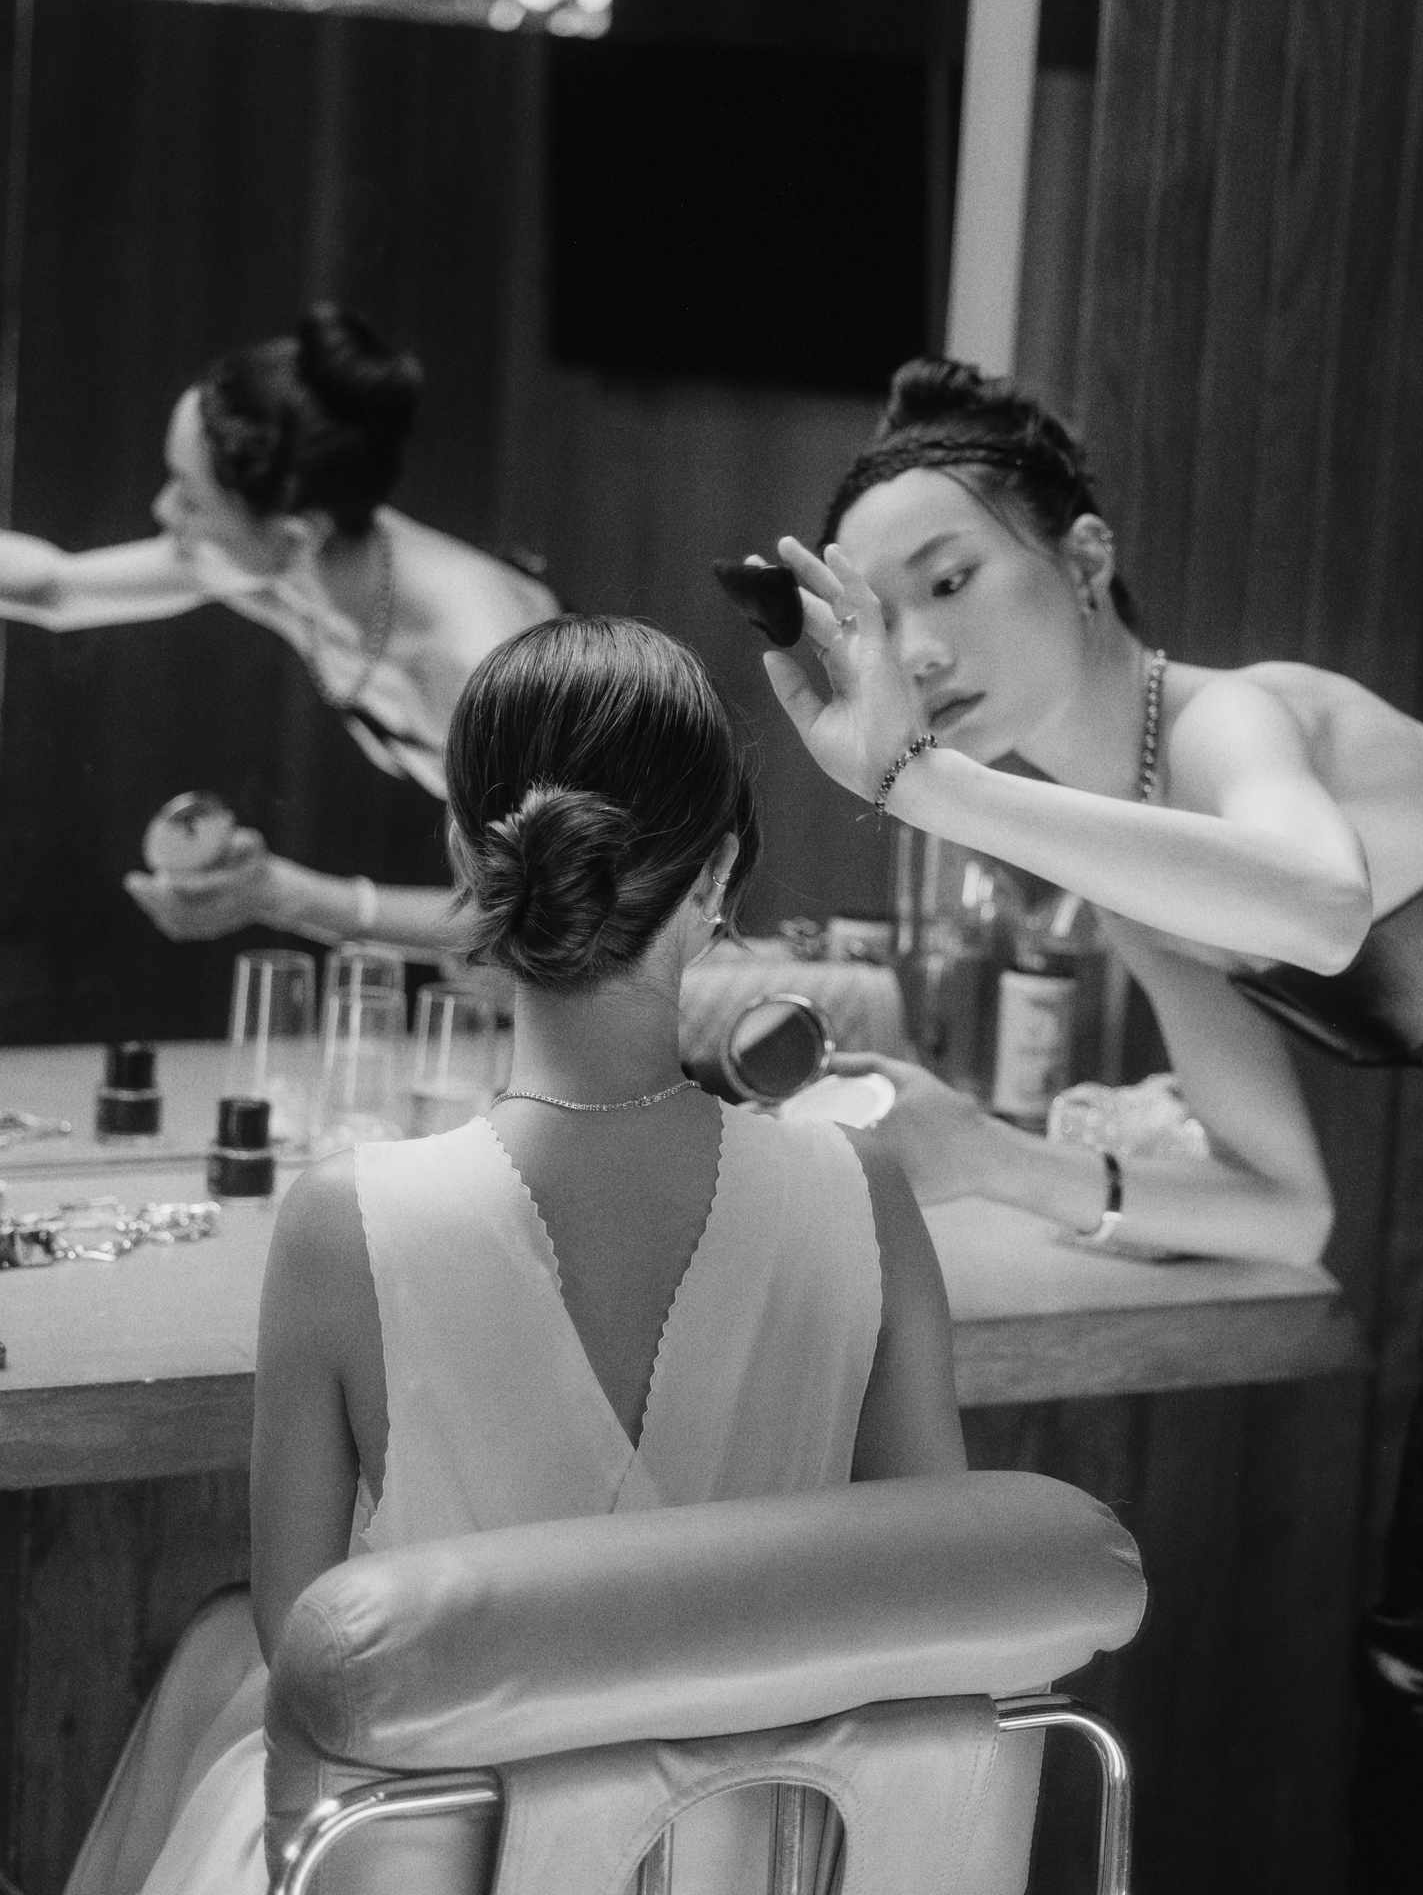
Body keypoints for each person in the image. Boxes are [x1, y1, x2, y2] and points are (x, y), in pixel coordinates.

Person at [62, 613, 965, 1895]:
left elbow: (314, 1660)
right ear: (715, 881)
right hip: (759, 1862)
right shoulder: (863, 1190)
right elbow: (941, 1593)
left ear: (465, 859)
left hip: (434, 1865)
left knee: (224, 1662)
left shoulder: (344, 1221)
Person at [755, 354, 1423, 1892]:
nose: (921, 644)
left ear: (1086, 560)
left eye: (949, 578)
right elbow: (1282, 1207)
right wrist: (991, 1161)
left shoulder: (1243, 720)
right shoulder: (1140, 876)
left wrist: (918, 781)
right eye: (882, 620)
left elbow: (1313, 898)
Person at [0, 303, 559, 951]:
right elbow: (56, 588)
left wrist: (278, 894)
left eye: (190, 497)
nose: (162, 510)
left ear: (298, 534)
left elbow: (533, 917)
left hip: (669, 945)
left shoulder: (481, 656)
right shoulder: (285, 569)